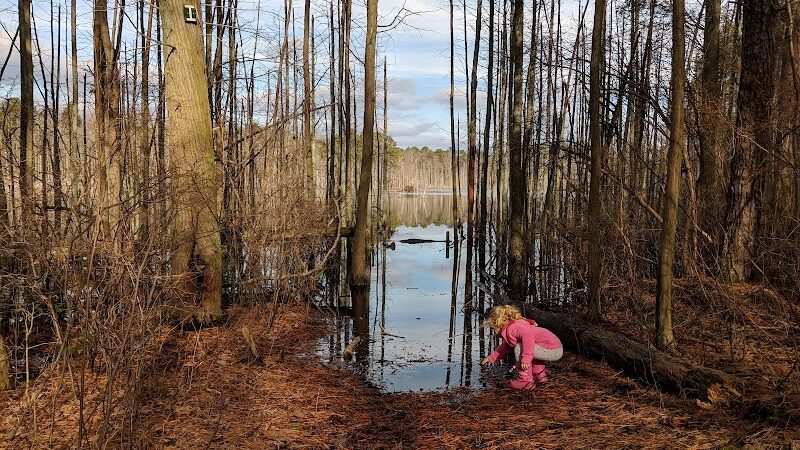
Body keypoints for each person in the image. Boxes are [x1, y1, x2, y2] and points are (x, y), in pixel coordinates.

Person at [480, 304, 563, 390]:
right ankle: (540, 377)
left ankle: (525, 381)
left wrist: (526, 359)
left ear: (499, 323)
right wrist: (491, 358)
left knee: (520, 348)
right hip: (553, 348)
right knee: (528, 349)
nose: (493, 331)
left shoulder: (513, 328)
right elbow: (505, 347)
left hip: (552, 348)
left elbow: (528, 336)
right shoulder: (512, 328)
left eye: (493, 328)